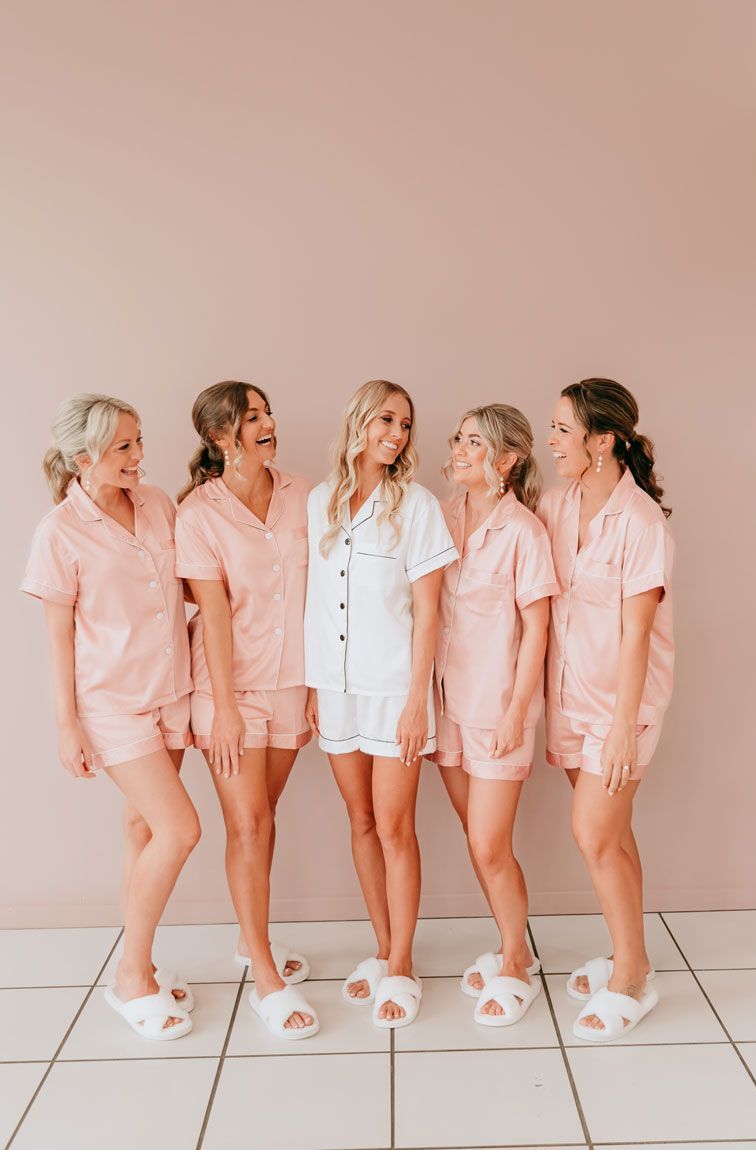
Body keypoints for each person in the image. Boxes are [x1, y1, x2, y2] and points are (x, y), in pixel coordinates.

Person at [22, 394, 199, 1040]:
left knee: (142, 829)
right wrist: (67, 725)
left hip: (172, 690)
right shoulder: (59, 532)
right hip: (113, 704)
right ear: (82, 457)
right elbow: (59, 638)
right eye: (123, 446)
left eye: (137, 440)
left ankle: (142, 961)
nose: (138, 455)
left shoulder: (156, 503)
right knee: (180, 830)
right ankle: (130, 976)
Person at [304, 379, 458, 1028]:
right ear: (359, 422)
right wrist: (315, 686)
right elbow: (315, 600)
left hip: (394, 688)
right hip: (335, 690)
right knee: (360, 820)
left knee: (395, 828)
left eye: (405, 424)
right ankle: (379, 946)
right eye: (385, 420)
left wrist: (417, 701)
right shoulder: (321, 502)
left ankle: (401, 962)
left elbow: (428, 613)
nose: (395, 435)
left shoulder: (417, 505)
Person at [175, 381, 318, 1040]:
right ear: (219, 436)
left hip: (293, 684)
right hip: (227, 691)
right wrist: (225, 709)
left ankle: (248, 937)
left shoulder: (305, 496)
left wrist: (317, 683)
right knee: (250, 823)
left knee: (263, 818)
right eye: (251, 416)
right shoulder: (199, 513)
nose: (268, 423)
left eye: (267, 412)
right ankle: (263, 970)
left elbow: (324, 595)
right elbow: (214, 615)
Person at [540, 377, 673, 1042]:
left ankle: (630, 976)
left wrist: (622, 726)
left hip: (622, 705)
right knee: (612, 837)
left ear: (601, 440)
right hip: (567, 696)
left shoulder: (640, 522)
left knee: (592, 833)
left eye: (562, 429)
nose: (551, 440)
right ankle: (629, 954)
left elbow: (637, 634)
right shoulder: (558, 507)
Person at [428, 404, 558, 1026]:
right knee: (478, 844)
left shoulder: (524, 532)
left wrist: (515, 714)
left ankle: (515, 960)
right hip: (449, 707)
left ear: (505, 461)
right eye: (458, 439)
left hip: (497, 710)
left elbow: (538, 629)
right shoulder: (442, 515)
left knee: (490, 843)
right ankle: (509, 942)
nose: (457, 450)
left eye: (473, 443)